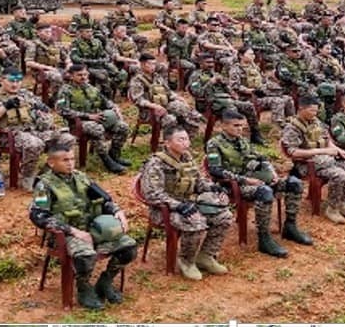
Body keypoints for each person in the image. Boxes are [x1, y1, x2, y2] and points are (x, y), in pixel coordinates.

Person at [29, 135, 136, 309]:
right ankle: (84, 288)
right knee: (86, 256)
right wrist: (73, 231)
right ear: (51, 163)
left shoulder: (82, 177)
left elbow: (104, 200)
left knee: (128, 248)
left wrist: (118, 212)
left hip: (93, 228)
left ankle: (105, 281)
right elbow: (39, 215)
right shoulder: (44, 186)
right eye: (65, 160)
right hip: (65, 235)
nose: (70, 163)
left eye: (72, 159)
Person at [206, 110, 312, 257]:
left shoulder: (242, 140)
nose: (240, 129)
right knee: (265, 192)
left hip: (255, 179)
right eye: (236, 126)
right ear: (223, 126)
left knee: (294, 183)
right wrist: (245, 180)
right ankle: (264, 238)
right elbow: (215, 170)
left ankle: (290, 226)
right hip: (233, 185)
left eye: (242, 126)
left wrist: (272, 173)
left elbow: (261, 157)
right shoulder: (214, 144)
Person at [140, 125, 233, 280]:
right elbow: (152, 194)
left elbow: (199, 182)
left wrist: (214, 188)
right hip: (163, 210)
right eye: (180, 140)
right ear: (167, 143)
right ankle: (187, 261)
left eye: (187, 139)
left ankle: (206, 256)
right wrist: (178, 206)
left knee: (224, 216)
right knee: (196, 221)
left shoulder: (187, 158)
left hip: (189, 204)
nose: (186, 143)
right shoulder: (155, 163)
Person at [280, 95, 345, 224]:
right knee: (339, 174)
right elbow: (293, 152)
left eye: (316, 111)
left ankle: (341, 201)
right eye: (311, 110)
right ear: (301, 108)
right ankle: (332, 209)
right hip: (307, 165)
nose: (314, 113)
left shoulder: (316, 122)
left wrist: (339, 150)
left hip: (327, 161)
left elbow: (327, 141)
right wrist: (323, 151)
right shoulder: (292, 127)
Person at [0, 66, 60, 190]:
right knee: (34, 144)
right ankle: (28, 176)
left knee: (65, 138)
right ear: (1, 80)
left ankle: (45, 173)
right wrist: (5, 107)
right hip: (11, 136)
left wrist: (42, 111)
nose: (15, 84)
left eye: (18, 81)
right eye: (11, 81)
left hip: (34, 130)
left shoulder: (26, 94)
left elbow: (44, 110)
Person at [56, 64, 129, 174]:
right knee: (96, 128)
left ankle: (114, 154)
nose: (83, 77)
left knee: (123, 127)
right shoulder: (65, 91)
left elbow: (105, 101)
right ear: (71, 76)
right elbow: (62, 110)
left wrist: (114, 108)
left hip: (97, 118)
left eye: (85, 74)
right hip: (78, 123)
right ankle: (106, 160)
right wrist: (88, 116)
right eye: (79, 75)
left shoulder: (92, 88)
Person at [187, 54, 264, 144]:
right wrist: (210, 82)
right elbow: (198, 93)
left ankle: (255, 135)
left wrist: (227, 87)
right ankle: (233, 139)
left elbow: (228, 89)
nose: (211, 65)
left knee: (248, 106)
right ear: (201, 63)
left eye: (212, 62)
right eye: (208, 62)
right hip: (209, 104)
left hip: (225, 101)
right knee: (232, 110)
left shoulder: (215, 74)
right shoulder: (195, 76)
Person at [128, 53, 203, 137]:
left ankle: (186, 137)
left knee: (186, 110)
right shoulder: (136, 80)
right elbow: (138, 99)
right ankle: (170, 140)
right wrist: (154, 106)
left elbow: (168, 92)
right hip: (149, 111)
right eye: (150, 64)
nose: (153, 66)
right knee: (170, 120)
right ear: (142, 64)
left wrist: (178, 98)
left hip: (164, 104)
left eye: (154, 64)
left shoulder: (157, 77)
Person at [228, 46, 294, 125]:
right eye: (250, 54)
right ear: (241, 56)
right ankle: (278, 124)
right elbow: (235, 86)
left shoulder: (254, 67)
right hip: (249, 98)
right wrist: (251, 91)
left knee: (287, 98)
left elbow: (263, 81)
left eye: (253, 54)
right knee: (277, 101)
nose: (253, 56)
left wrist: (270, 86)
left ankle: (290, 121)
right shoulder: (236, 69)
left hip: (262, 93)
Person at [69, 25, 125, 99]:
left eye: (91, 31)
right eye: (87, 32)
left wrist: (105, 59)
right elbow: (74, 58)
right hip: (86, 66)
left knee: (121, 74)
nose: (90, 33)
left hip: (100, 64)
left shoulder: (97, 42)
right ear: (81, 33)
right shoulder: (76, 43)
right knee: (102, 75)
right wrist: (90, 61)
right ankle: (105, 95)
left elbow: (104, 54)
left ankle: (112, 86)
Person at [24, 23, 70, 99]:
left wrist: (69, 65)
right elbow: (29, 62)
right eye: (46, 32)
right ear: (39, 33)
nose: (49, 34)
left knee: (74, 75)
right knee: (58, 76)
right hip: (40, 72)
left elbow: (66, 57)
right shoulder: (33, 45)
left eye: (50, 32)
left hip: (57, 68)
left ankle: (67, 96)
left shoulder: (56, 44)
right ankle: (55, 98)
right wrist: (47, 68)